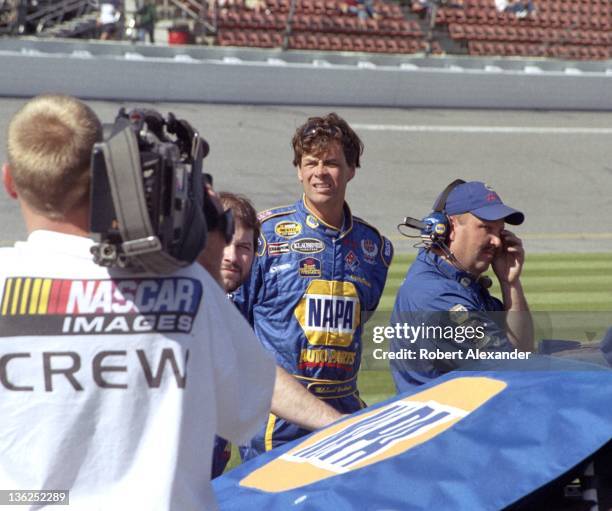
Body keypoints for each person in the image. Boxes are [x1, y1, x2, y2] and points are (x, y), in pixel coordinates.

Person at [0, 94, 275, 510]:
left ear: (9, 182)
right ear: (104, 172)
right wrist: (207, 258)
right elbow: (245, 412)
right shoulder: (189, 286)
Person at [235, 113, 394, 459]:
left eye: (332, 163)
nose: (320, 172)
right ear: (298, 170)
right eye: (311, 163)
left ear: (352, 170)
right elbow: (234, 329)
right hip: (275, 421)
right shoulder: (265, 235)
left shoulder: (375, 248)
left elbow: (358, 321)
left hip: (344, 414)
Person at [198, 192, 344, 477]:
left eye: (244, 247)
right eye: (224, 242)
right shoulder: (181, 304)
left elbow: (260, 377)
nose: (232, 256)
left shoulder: (219, 312)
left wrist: (339, 424)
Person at [390, 180, 534, 391]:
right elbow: (513, 368)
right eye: (486, 228)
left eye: (500, 231)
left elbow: (522, 349)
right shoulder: (437, 297)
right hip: (450, 423)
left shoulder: (461, 282)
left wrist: (510, 283)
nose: (497, 242)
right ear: (449, 227)